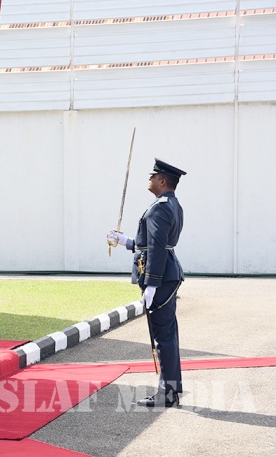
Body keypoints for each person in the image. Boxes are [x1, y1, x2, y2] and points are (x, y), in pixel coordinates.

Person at [107, 158, 186, 407]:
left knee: (162, 337)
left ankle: (167, 393)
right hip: (167, 275)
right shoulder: (172, 204)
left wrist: (151, 284)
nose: (149, 179)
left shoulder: (160, 208)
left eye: (153, 176)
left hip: (160, 279)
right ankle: (171, 390)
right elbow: (151, 244)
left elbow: (158, 249)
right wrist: (125, 241)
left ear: (162, 181)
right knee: (167, 334)